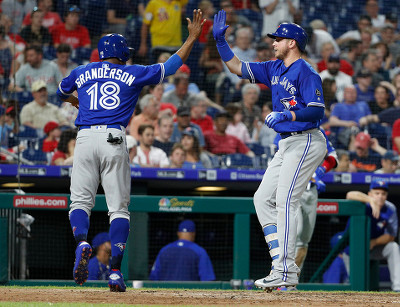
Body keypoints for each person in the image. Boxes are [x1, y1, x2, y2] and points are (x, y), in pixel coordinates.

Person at [55, 10, 205, 292]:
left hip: (84, 138)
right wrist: (192, 38)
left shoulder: (82, 70)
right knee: (118, 209)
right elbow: (171, 66)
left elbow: (61, 91)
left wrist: (77, 101)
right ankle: (114, 272)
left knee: (79, 204)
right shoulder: (131, 72)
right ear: (122, 53)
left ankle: (82, 242)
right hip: (114, 137)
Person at [212, 10, 327, 290]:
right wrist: (220, 42)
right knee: (262, 198)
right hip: (287, 143)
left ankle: (286, 271)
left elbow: (317, 110)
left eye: (279, 39)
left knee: (286, 200)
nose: (273, 42)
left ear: (293, 43)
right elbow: (238, 68)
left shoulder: (307, 71)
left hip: (307, 139)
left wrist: (288, 116)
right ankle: (280, 261)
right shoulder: (273, 68)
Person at [346, 180, 400, 292]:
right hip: (353, 249)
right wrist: (370, 201)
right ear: (370, 194)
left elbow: (391, 235)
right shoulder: (363, 202)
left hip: (373, 247)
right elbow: (349, 195)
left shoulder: (390, 208)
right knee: (353, 285)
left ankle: (399, 288)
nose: (380, 196)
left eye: (383, 194)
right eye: (377, 193)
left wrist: (374, 242)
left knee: (393, 247)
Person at [294, 129, 338, 277]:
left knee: (304, 239)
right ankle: (281, 275)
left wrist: (319, 171)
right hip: (293, 187)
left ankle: (291, 282)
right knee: (294, 231)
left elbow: (333, 156)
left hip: (310, 191)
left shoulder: (320, 132)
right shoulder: (288, 128)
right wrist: (310, 176)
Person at [149, 220, 215, 281]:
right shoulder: (199, 251)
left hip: (166, 292)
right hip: (188, 293)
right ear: (193, 234)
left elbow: (154, 277)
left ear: (178, 233)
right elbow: (207, 280)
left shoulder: (164, 250)